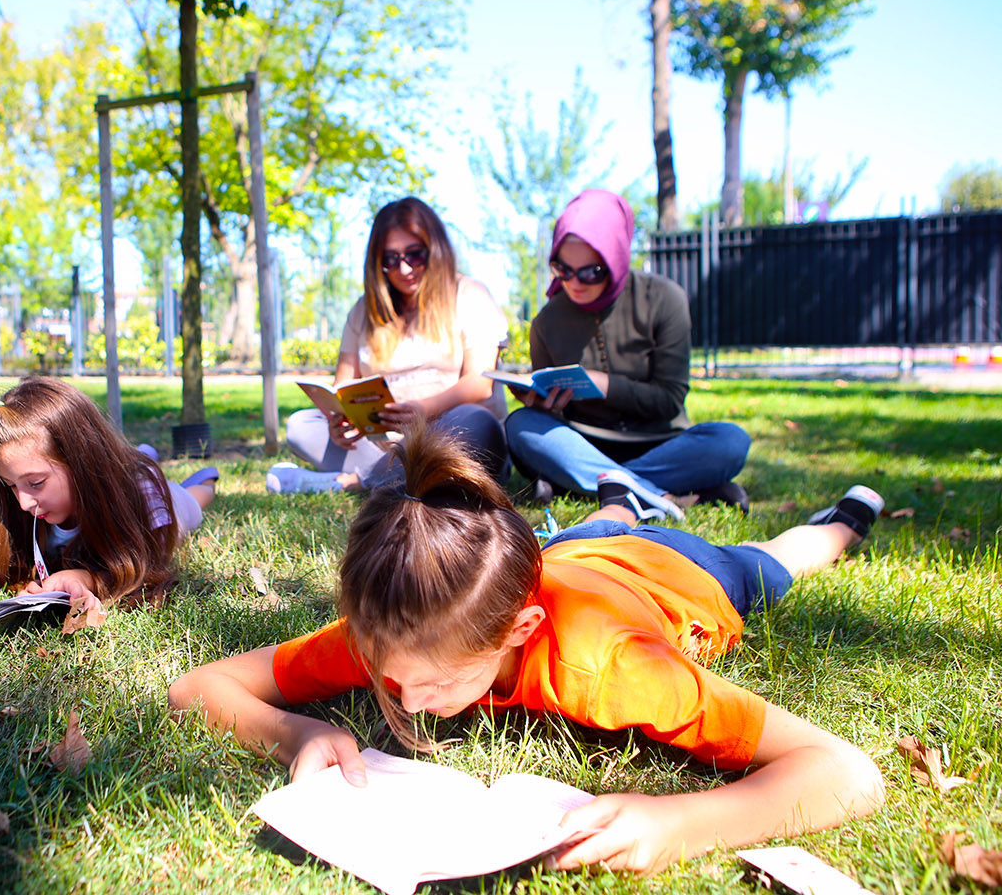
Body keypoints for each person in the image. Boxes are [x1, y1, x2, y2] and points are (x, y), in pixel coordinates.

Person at [169, 426, 886, 874]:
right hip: (562, 553)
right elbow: (196, 687)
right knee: (587, 532)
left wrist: (680, 823)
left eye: (437, 684)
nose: (405, 702)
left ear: (518, 631)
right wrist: (299, 732)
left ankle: (847, 519)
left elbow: (849, 774)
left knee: (777, 561)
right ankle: (615, 503)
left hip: (683, 574)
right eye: (389, 677)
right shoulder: (404, 621)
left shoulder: (613, 667)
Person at [505, 188, 751, 518]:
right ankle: (661, 494)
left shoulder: (664, 299)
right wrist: (540, 402)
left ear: (617, 257)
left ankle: (598, 484)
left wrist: (602, 384)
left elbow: (669, 400)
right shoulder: (547, 321)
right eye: (563, 269)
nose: (575, 283)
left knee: (730, 441)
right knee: (522, 425)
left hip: (661, 443)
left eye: (591, 271)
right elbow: (554, 423)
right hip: (585, 443)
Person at [272, 196, 509, 494]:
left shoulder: (469, 294)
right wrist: (340, 422)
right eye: (391, 259)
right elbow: (342, 387)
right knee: (301, 425)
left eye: (415, 255)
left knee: (476, 420)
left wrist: (423, 410)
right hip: (384, 444)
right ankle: (397, 477)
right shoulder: (364, 311)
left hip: (456, 437)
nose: (405, 269)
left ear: (434, 250)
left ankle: (360, 482)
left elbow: (480, 384)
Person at [0, 377, 219, 607]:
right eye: (11, 485)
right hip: (125, 473)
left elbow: (148, 565)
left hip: (163, 499)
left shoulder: (145, 498)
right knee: (136, 460)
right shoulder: (32, 509)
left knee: (193, 500)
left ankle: (206, 477)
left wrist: (90, 578)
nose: (22, 502)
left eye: (35, 483)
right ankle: (142, 453)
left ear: (80, 462)